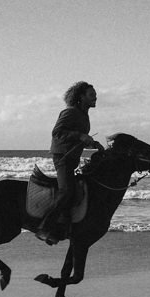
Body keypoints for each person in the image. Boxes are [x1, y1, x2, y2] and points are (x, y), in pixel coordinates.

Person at [44, 81, 103, 242]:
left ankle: (68, 224)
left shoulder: (84, 114)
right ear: (81, 97)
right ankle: (46, 228)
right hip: (62, 157)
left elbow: (78, 137)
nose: (95, 98)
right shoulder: (70, 112)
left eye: (95, 95)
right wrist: (80, 136)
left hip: (72, 157)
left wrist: (92, 143)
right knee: (67, 191)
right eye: (91, 95)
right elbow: (57, 133)